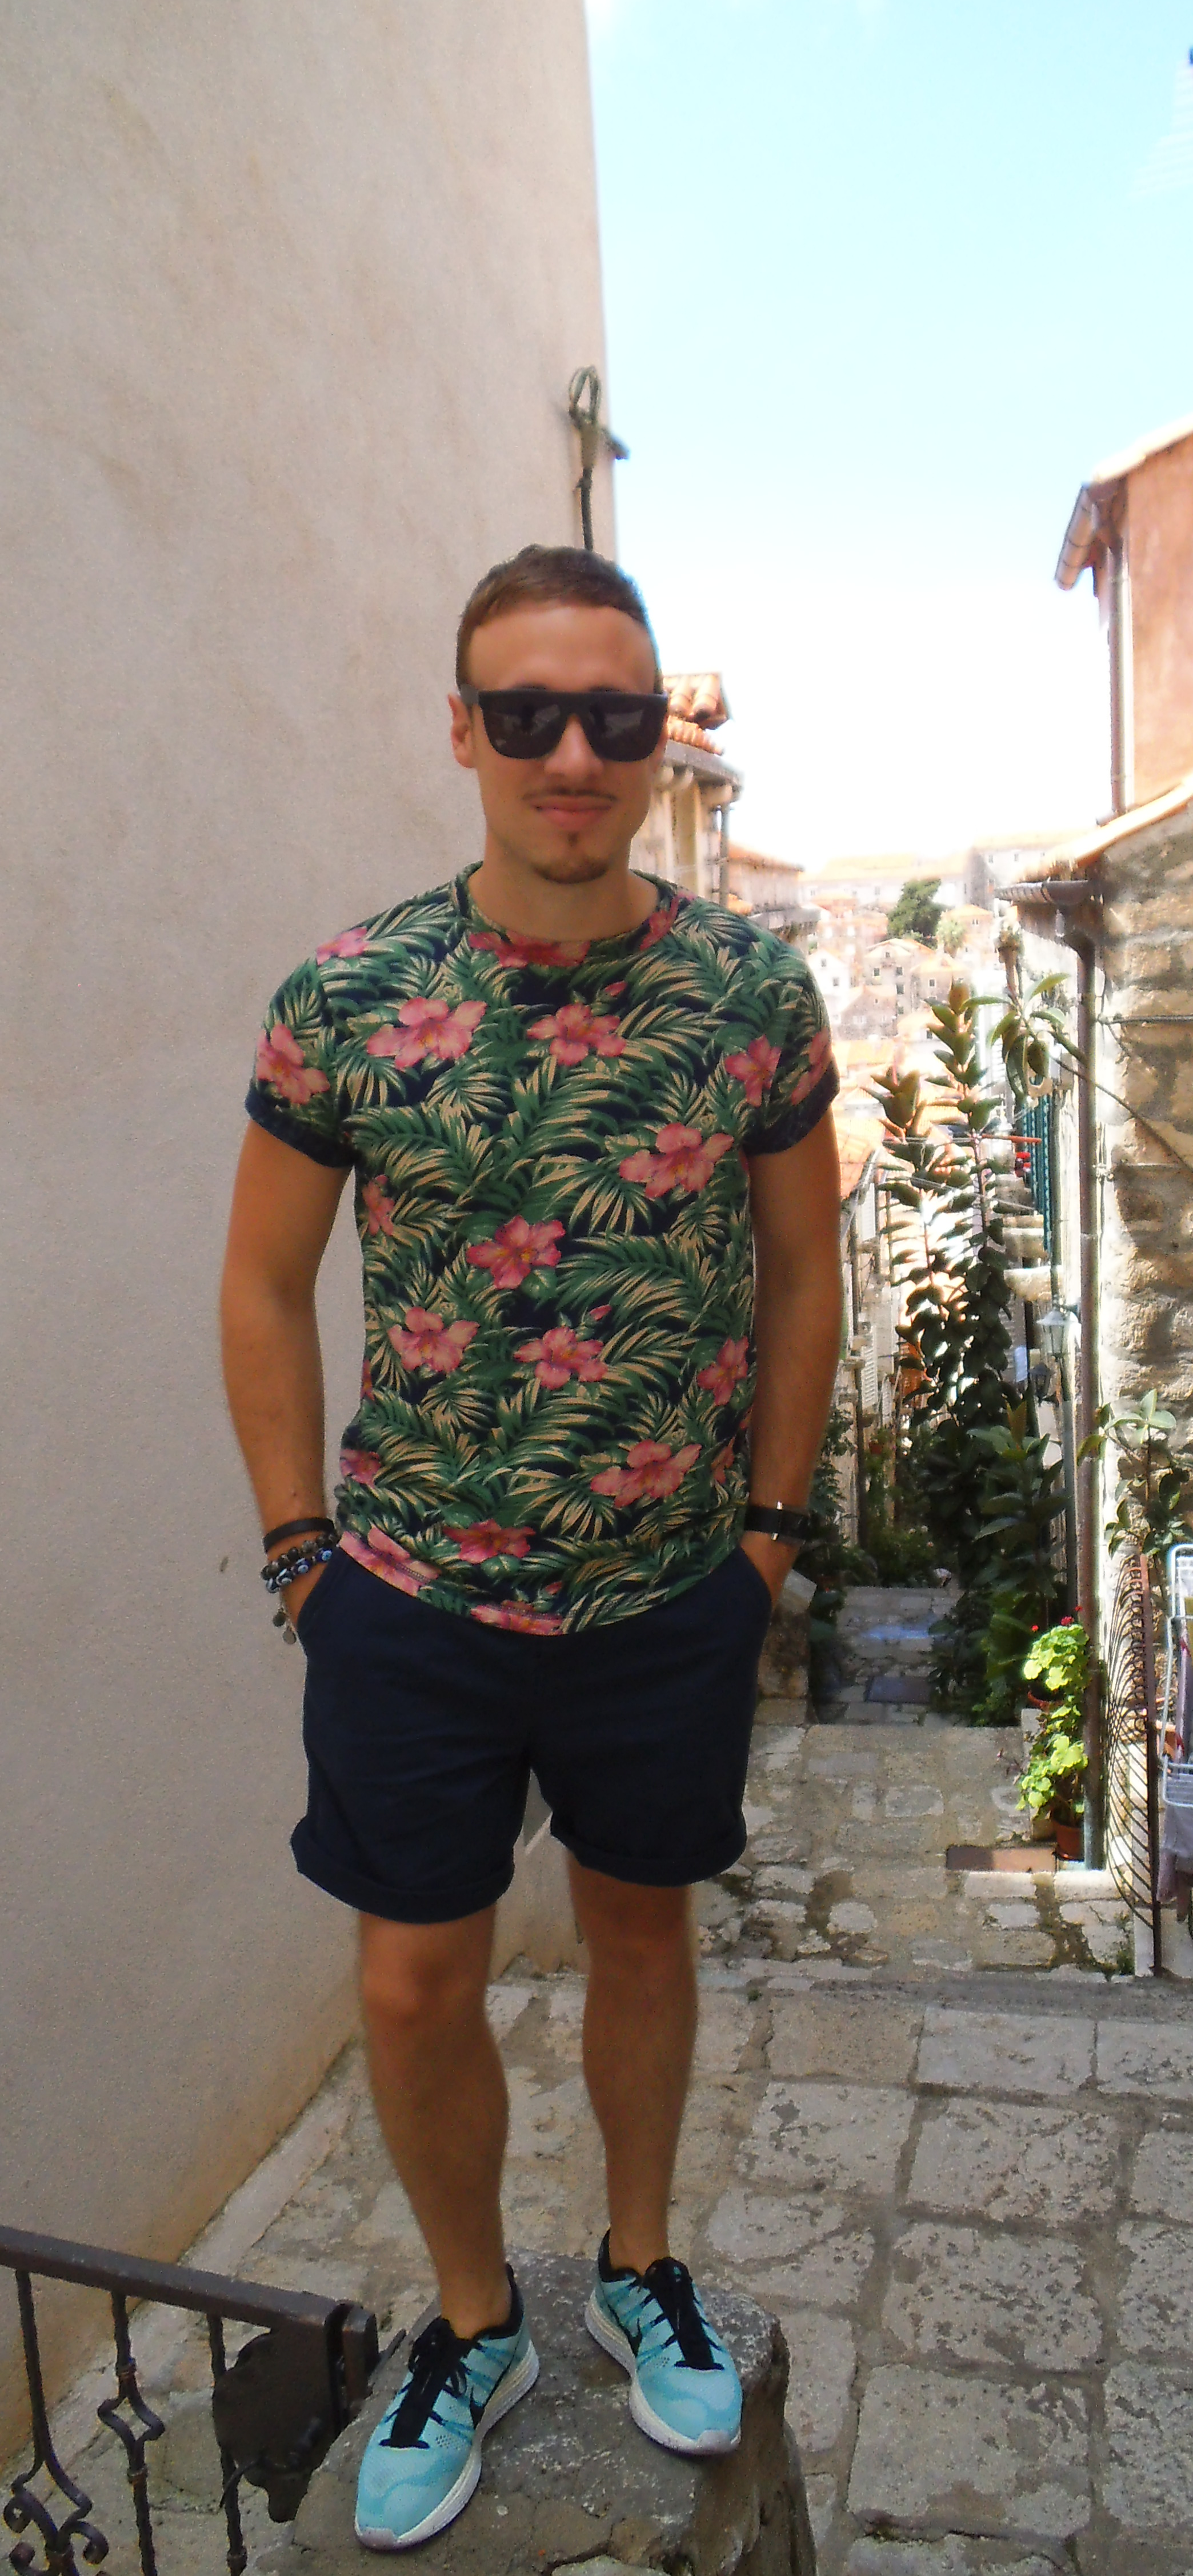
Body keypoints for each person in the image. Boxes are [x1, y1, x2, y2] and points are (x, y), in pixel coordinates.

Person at [219, 545, 842, 2551]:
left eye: (615, 714)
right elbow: (263, 1282)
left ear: (657, 738)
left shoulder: (752, 993)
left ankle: (643, 2266)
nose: (575, 753)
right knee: (416, 1985)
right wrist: (302, 1556)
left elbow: (806, 1270)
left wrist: (765, 1540)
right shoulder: (350, 995)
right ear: (463, 729)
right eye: (528, 713)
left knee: (644, 1936)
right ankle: (475, 2321)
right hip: (410, 1595)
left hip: (668, 1588)